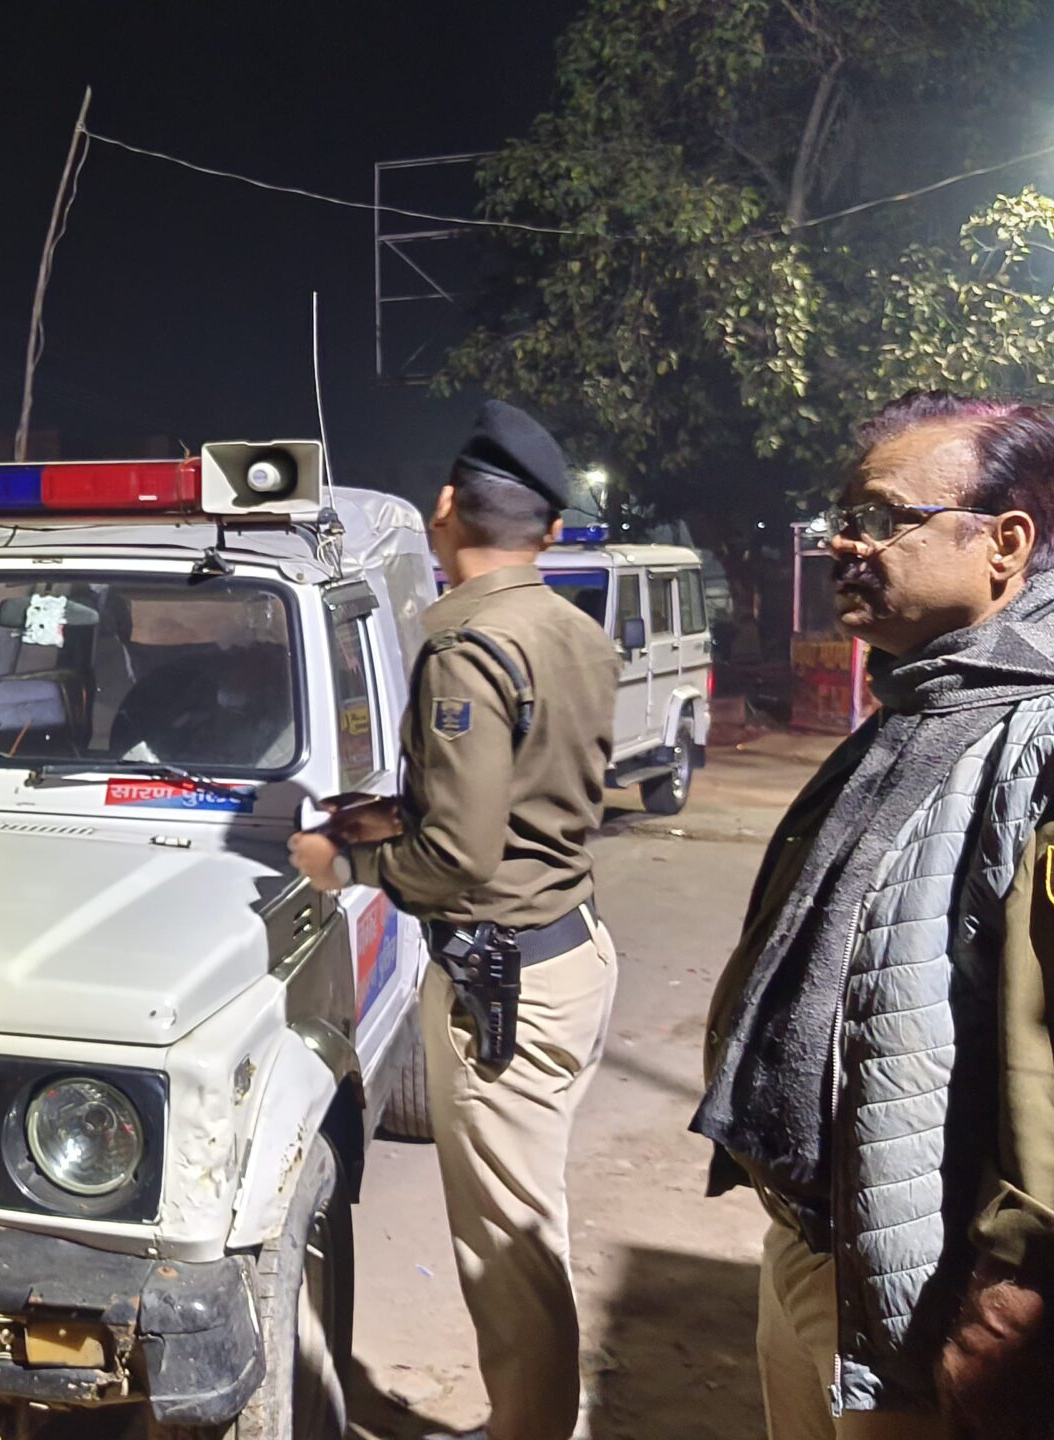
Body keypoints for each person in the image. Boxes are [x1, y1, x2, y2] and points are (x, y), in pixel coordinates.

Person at [693, 392, 1054, 1439]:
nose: (844, 545)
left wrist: (1008, 1310)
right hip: (837, 1250)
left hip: (934, 1295)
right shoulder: (934, 706)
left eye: (882, 518)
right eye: (843, 519)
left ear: (1005, 544)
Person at [289, 400, 620, 1440]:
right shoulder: (573, 632)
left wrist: (343, 860)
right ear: (550, 529)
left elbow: (460, 859)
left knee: (509, 1248)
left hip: (500, 983)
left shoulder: (468, 644)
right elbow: (529, 795)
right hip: (568, 948)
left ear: (445, 508)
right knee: (526, 1222)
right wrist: (398, 813)